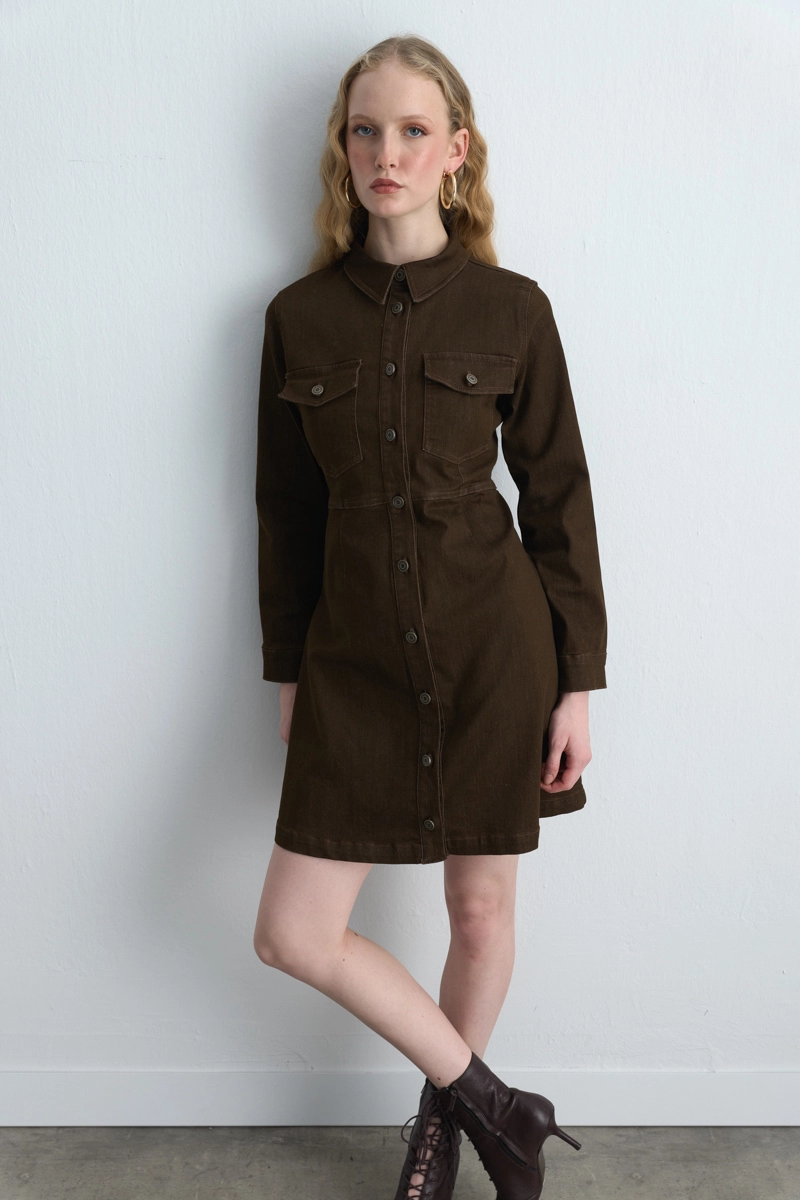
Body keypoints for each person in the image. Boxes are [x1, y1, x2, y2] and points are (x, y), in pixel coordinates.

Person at [252, 34, 608, 1200]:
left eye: (411, 131)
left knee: (478, 905)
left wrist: (576, 681)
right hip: (350, 658)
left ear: (456, 152)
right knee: (292, 931)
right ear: (341, 149)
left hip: (494, 647)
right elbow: (285, 512)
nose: (385, 153)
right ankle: (496, 1105)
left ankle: (442, 1130)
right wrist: (289, 671)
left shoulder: (513, 309)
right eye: (364, 130)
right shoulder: (298, 317)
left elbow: (557, 497)